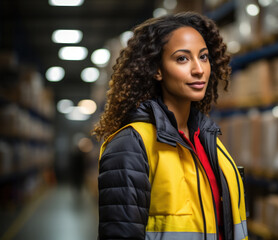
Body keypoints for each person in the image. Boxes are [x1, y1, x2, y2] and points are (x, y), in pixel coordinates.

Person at [93, 12, 248, 240]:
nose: (199, 69)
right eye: (182, 59)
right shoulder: (131, 145)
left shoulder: (209, 141)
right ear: (156, 70)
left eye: (203, 57)